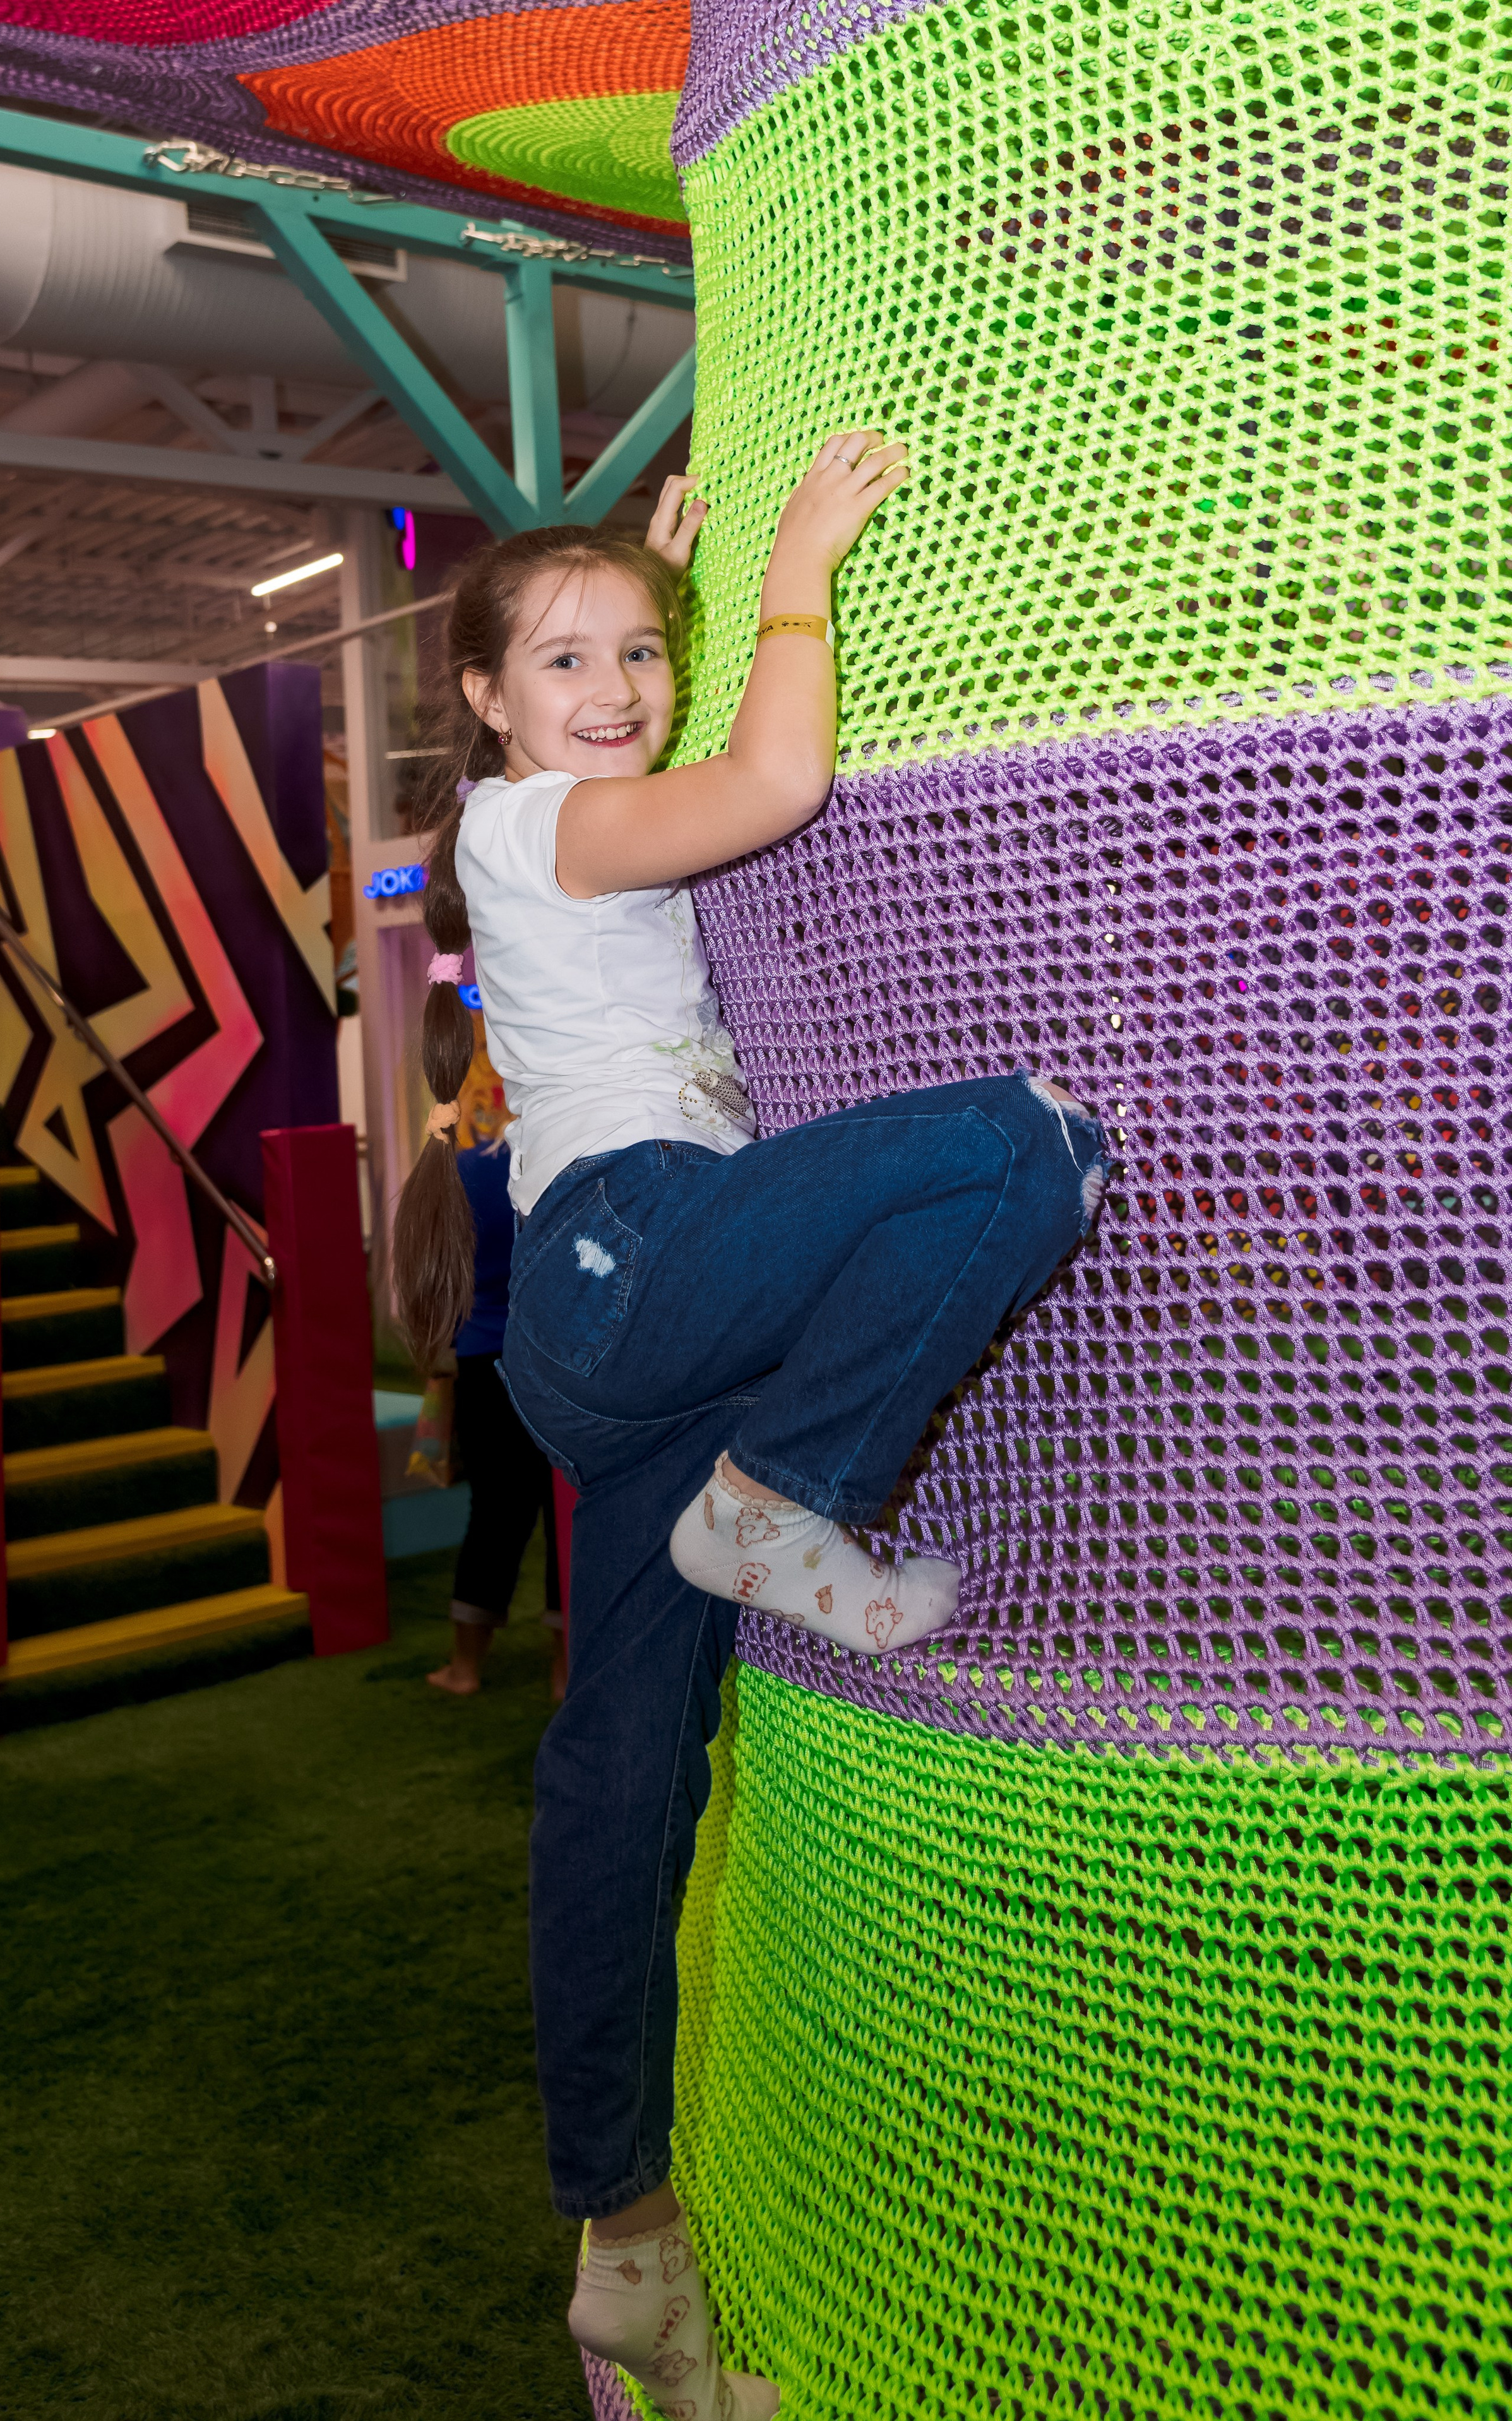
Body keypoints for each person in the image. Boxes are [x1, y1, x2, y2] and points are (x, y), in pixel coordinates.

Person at [392, 436, 1108, 2417]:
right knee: (1019, 1144)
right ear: (479, 701)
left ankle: (622, 2245)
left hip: (634, 1336)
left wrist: (660, 600)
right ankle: (788, 1496)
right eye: (560, 663)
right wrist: (797, 564)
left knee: (623, 1782)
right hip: (637, 1255)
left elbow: (683, 776)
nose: (611, 690)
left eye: (637, 653)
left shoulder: (573, 812)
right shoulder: (525, 828)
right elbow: (774, 786)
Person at [426, 1127, 566, 1699]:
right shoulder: (561, 1149)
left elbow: (436, 1270)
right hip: (559, 1353)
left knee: (493, 1512)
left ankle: (465, 1666)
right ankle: (566, 1670)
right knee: (567, 1512)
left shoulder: (462, 1169)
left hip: (484, 1352)